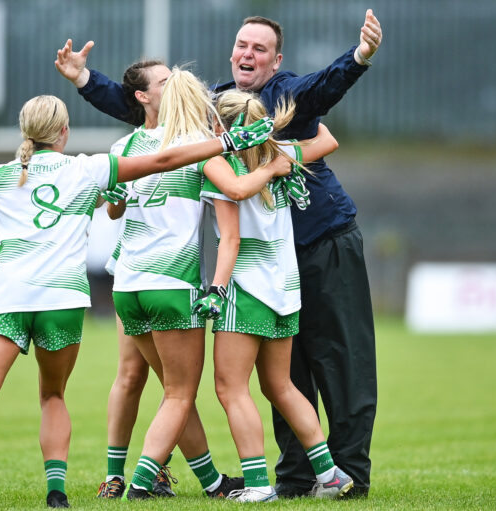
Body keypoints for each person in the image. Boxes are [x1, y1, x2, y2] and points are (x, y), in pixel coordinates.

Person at [0, 94, 275, 510]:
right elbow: (162, 161)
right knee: (52, 395)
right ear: (64, 131)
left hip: (7, 298)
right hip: (61, 300)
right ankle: (56, 493)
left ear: (25, 132)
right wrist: (225, 142)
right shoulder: (86, 169)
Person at [54, 9, 382, 497]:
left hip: (311, 247)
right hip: (277, 267)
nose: (247, 53)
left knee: (326, 364)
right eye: (242, 45)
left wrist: (358, 57)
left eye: (259, 48)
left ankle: (334, 473)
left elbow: (320, 94)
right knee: (281, 380)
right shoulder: (228, 118)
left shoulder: (279, 100)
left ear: (276, 60)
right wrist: (85, 80)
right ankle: (304, 475)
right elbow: (147, 105)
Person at [95, 60, 246, 500]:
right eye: (162, 79)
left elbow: (114, 208)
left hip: (127, 286)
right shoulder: (201, 144)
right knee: (179, 394)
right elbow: (236, 193)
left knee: (164, 390)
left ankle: (209, 482)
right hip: (171, 283)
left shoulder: (125, 144)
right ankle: (143, 482)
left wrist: (115, 199)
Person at [193, 89, 352, 502]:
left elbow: (231, 234)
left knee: (230, 388)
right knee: (280, 386)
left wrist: (217, 290)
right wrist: (291, 118)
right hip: (285, 289)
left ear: (221, 126)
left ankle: (258, 485)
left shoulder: (221, 165)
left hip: (245, 289)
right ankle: (330, 475)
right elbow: (327, 140)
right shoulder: (279, 154)